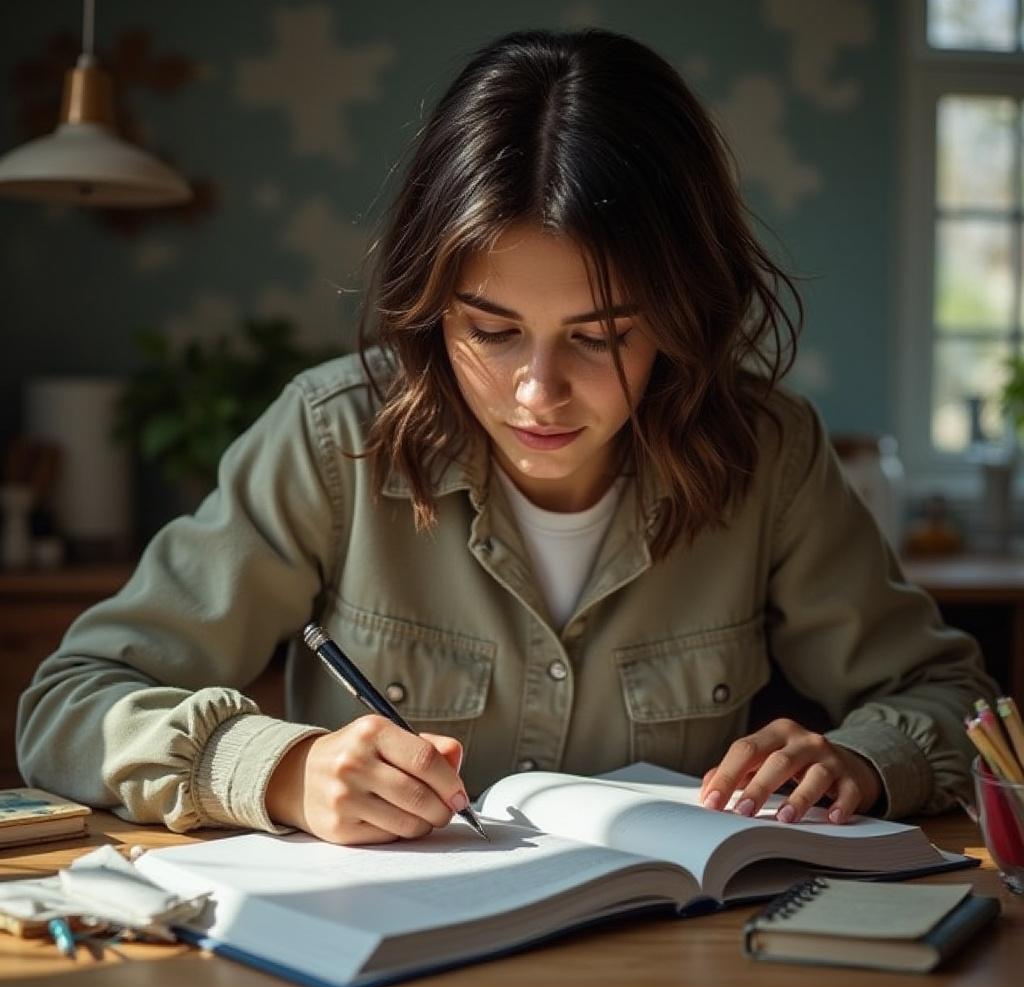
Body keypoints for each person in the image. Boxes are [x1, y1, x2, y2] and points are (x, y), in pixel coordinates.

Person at [17, 29, 997, 846]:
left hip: (669, 971)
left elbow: (956, 699)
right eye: (490, 330)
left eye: (601, 336)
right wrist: (281, 768)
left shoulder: (767, 454)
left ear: (680, 313)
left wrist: (864, 756)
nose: (538, 390)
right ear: (432, 306)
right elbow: (69, 703)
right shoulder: (331, 440)